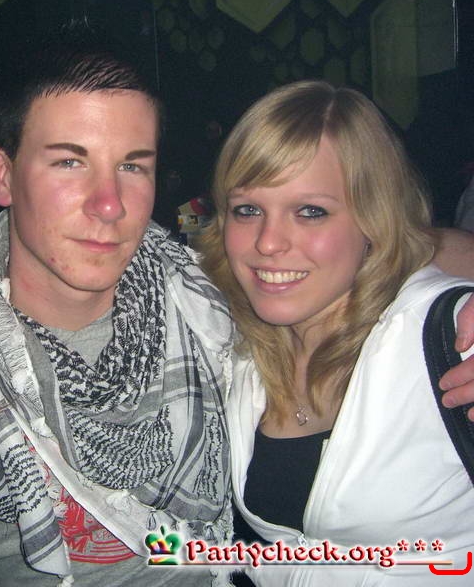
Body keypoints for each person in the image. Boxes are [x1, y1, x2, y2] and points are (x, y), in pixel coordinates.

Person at [0, 31, 234, 586]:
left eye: (132, 167)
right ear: (2, 175)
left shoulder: (212, 302)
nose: (109, 204)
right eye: (69, 162)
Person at [200, 80, 474, 585]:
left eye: (311, 211)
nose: (268, 243)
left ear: (373, 218)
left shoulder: (448, 340)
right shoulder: (234, 345)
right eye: (248, 209)